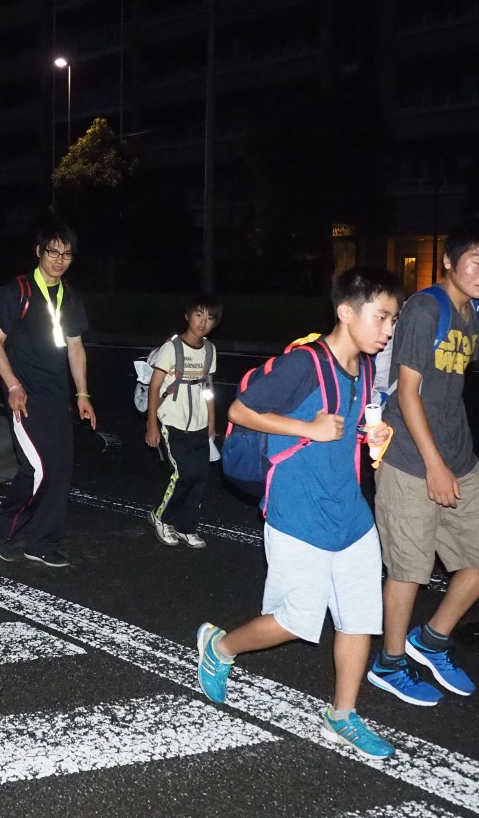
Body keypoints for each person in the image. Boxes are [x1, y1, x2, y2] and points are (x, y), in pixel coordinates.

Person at [197, 267, 402, 759]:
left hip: (351, 514)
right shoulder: (304, 364)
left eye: (393, 320)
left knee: (359, 618)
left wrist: (368, 434)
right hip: (296, 512)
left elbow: (343, 424)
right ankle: (220, 648)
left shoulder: (365, 367)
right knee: (294, 621)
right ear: (346, 312)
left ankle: (342, 715)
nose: (388, 330)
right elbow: (239, 411)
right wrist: (307, 428)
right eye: (381, 317)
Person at [367, 217, 479, 706]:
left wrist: (451, 459)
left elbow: (450, 387)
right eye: (477, 261)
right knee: (408, 570)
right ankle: (389, 662)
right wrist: (434, 464)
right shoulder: (424, 310)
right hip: (410, 458)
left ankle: (431, 640)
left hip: (458, 454)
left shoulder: (475, 311)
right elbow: (408, 393)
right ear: (449, 261)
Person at [0, 221, 96, 568]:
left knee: (60, 470)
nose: (59, 260)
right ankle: (5, 520)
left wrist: (82, 394)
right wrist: (13, 385)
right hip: (24, 394)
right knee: (37, 468)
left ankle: (42, 542)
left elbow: (76, 347)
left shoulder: (71, 297)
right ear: (39, 252)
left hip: (57, 395)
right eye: (53, 252)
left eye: (67, 254)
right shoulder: (17, 291)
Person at [144, 294, 221, 548]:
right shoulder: (171, 348)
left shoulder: (210, 350)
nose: (203, 322)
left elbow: (208, 387)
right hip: (172, 421)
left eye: (210, 318)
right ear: (187, 316)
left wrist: (211, 421)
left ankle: (186, 527)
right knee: (183, 474)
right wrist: (152, 425)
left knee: (200, 477)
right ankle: (161, 517)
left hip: (199, 423)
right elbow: (155, 387)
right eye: (198, 315)